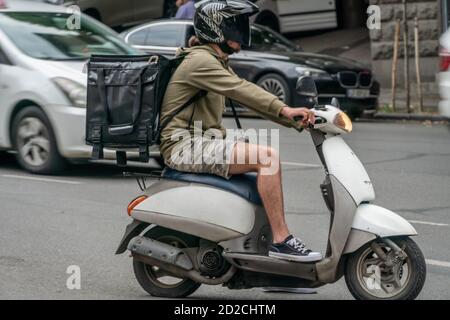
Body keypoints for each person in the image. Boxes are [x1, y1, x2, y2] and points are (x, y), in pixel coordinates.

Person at [159, 0, 322, 262]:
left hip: (199, 139)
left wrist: (294, 119)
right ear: (215, 29)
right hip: (182, 146)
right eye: (234, 25)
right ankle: (281, 240)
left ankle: (262, 249)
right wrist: (285, 110)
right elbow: (242, 90)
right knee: (266, 158)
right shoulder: (201, 61)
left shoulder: (214, 59)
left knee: (257, 153)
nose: (240, 31)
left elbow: (243, 90)